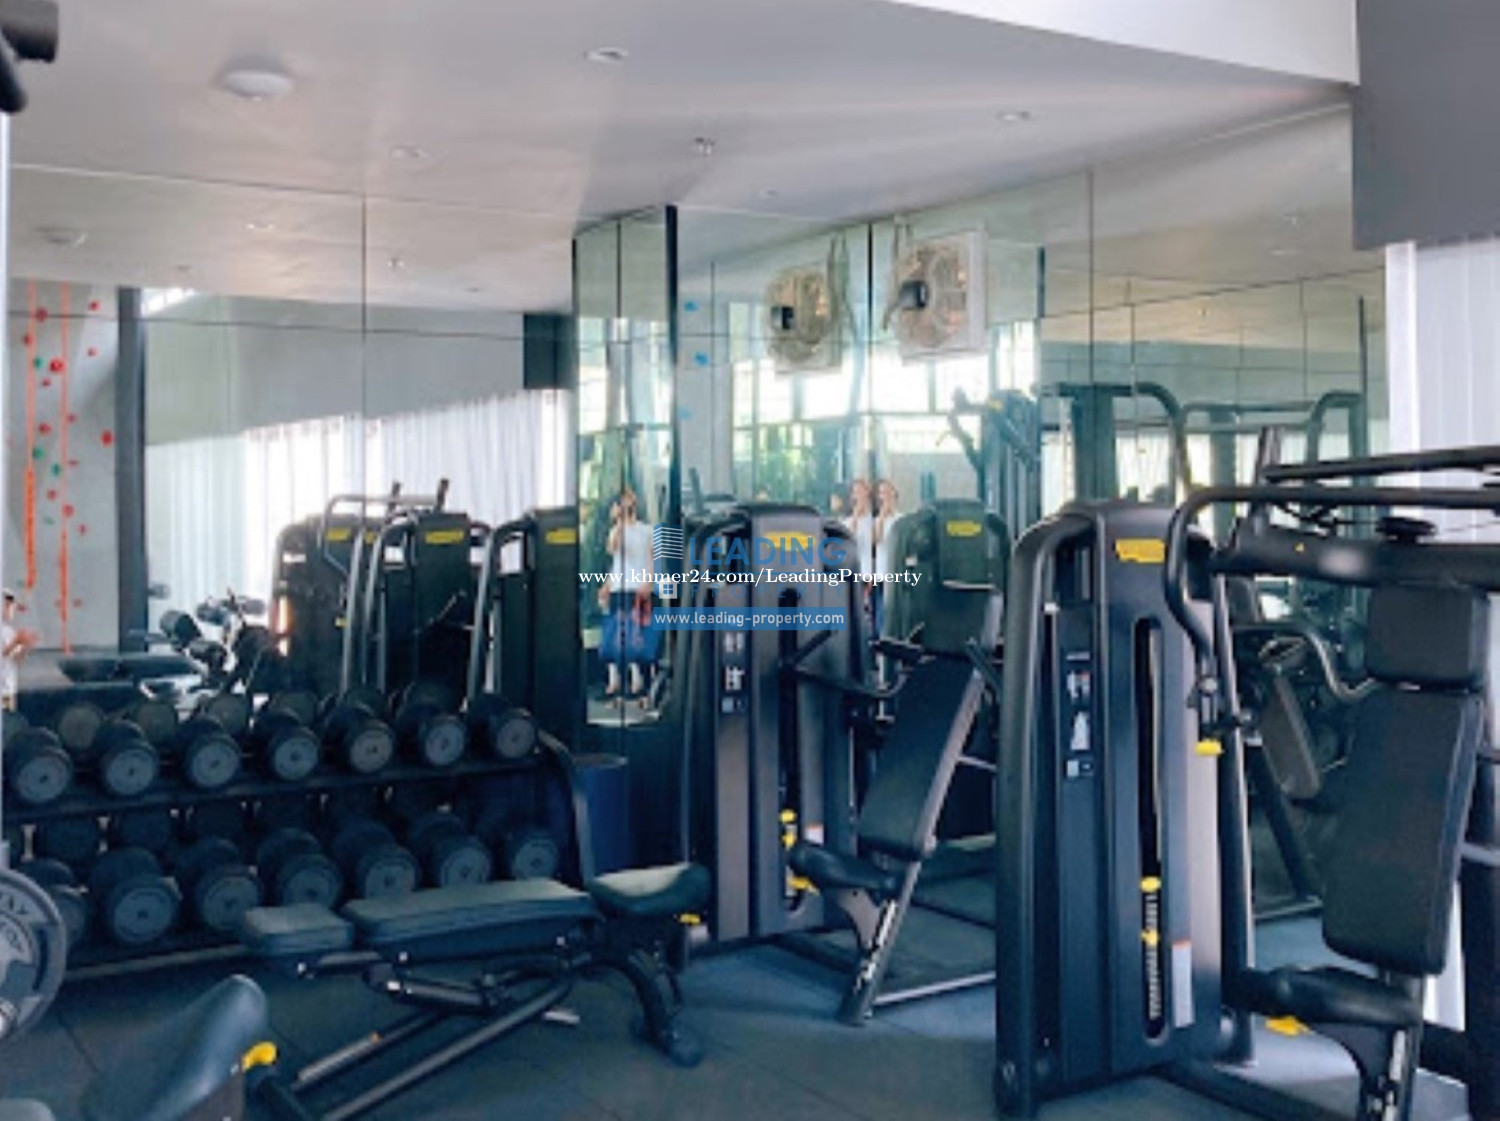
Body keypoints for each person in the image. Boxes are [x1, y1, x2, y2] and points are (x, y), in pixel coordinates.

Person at [601, 487, 655, 701]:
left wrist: (649, 582)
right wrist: (618, 522)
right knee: (618, 634)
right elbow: (613, 551)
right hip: (619, 587)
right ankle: (619, 681)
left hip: (637, 587)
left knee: (637, 634)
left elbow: (651, 559)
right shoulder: (616, 530)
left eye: (629, 498)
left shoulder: (646, 530)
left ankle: (640, 680)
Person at [872, 479, 903, 638]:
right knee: (881, 607)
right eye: (881, 493)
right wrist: (883, 517)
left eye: (887, 491)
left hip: (897, 571)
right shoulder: (877, 521)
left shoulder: (902, 519)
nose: (884, 496)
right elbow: (876, 540)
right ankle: (881, 636)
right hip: (882, 572)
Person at [2, 589, 39, 711]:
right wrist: (16, 642)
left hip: (8, 691)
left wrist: (26, 646)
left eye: (12, 605)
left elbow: (16, 659)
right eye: (7, 605)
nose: (11, 609)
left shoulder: (9, 631)